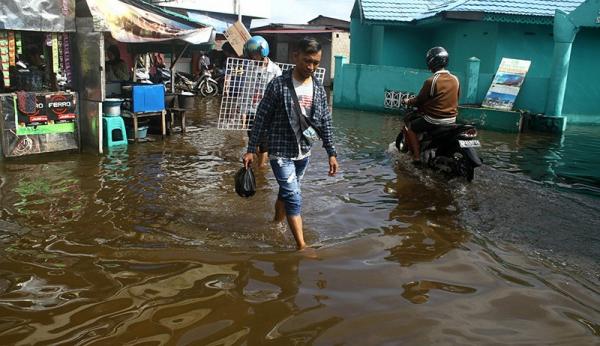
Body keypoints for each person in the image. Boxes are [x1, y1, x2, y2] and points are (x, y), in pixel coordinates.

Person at [242, 37, 338, 250]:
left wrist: (331, 152)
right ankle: (302, 246)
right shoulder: (278, 85)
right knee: (294, 196)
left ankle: (276, 222)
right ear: (296, 56)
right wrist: (251, 150)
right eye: (307, 61)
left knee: (286, 192)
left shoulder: (319, 89)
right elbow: (261, 118)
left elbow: (325, 122)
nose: (311, 67)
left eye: (316, 62)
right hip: (280, 151)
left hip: (304, 151)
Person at [402, 46, 460, 163]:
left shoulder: (432, 81)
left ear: (430, 62)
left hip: (434, 120)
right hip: (452, 119)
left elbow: (419, 100)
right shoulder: (455, 79)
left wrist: (408, 101)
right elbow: (455, 98)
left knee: (411, 127)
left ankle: (417, 157)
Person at [243, 35, 282, 167]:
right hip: (252, 109)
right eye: (251, 54)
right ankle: (258, 163)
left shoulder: (275, 70)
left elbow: (279, 94)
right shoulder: (249, 67)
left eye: (256, 53)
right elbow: (246, 89)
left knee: (264, 143)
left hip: (267, 112)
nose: (253, 57)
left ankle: (261, 170)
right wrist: (242, 111)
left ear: (263, 52)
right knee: (253, 139)